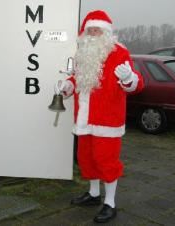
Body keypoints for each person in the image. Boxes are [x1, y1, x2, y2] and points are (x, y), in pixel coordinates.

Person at [54, 10, 144, 223]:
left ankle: (110, 203)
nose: (93, 33)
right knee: (86, 159)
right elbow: (78, 78)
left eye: (98, 29)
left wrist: (129, 78)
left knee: (106, 162)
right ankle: (94, 194)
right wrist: (68, 85)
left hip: (107, 120)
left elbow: (137, 84)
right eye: (90, 30)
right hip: (84, 119)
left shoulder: (120, 52)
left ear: (106, 32)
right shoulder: (82, 52)